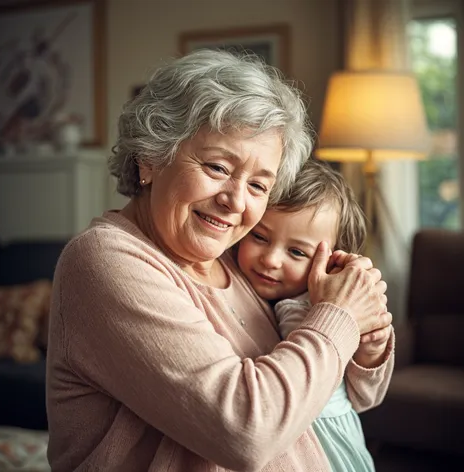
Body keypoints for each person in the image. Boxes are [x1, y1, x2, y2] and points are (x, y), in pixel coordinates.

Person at [46, 49, 393, 472]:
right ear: (150, 158)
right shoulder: (104, 259)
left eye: (259, 185)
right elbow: (246, 431)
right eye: (217, 167)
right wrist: (339, 315)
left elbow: (355, 394)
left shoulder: (237, 259)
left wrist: (367, 336)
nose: (235, 201)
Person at [237, 159, 394, 472]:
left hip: (326, 440)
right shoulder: (241, 286)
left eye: (296, 252)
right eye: (259, 236)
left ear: (333, 261)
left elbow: (365, 395)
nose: (270, 260)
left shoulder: (312, 305)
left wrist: (372, 350)